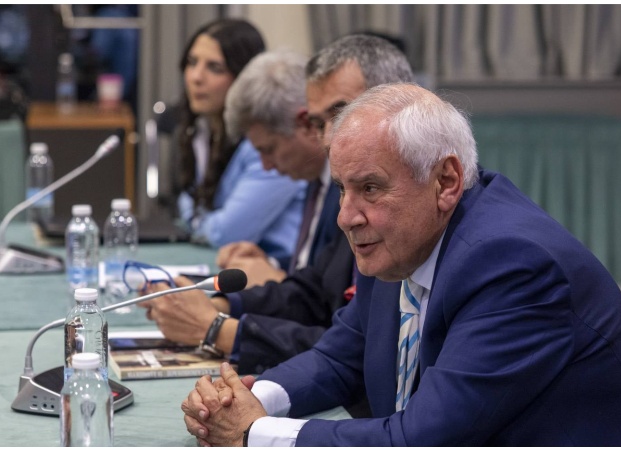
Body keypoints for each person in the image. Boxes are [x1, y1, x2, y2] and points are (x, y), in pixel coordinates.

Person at [182, 83, 621, 447]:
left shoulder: (513, 266)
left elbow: (420, 440)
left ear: (446, 182)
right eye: (343, 189)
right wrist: (249, 398)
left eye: (370, 188)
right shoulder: (400, 241)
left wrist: (254, 434)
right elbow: (339, 357)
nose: (346, 217)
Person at [139, 34, 414, 378]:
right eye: (321, 123)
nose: (328, 138)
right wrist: (223, 304)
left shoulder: (409, 210)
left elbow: (357, 352)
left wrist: (216, 328)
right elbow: (317, 293)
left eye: (342, 115)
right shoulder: (340, 189)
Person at [173, 18, 305, 269]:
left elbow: (226, 233)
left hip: (283, 272)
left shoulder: (269, 146)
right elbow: (187, 200)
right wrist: (198, 218)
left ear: (244, 77)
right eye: (191, 63)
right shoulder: (202, 131)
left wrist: (194, 221)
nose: (196, 77)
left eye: (214, 68)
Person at [216, 49, 339, 288]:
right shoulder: (314, 178)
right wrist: (270, 264)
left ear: (305, 124)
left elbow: (336, 298)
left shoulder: (346, 190)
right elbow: (316, 267)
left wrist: (279, 281)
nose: (266, 165)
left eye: (269, 149)